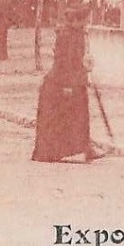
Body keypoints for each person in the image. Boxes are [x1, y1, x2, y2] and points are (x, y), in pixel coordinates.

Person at [32, 14, 95, 163]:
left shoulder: (78, 35)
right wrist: (67, 85)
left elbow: (78, 60)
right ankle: (49, 152)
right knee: (58, 119)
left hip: (75, 81)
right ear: (74, 20)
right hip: (59, 84)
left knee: (81, 116)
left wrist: (85, 73)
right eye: (83, 20)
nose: (85, 24)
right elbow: (63, 62)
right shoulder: (66, 36)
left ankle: (86, 148)